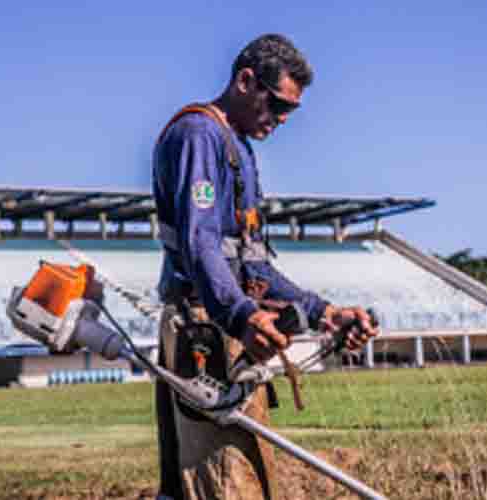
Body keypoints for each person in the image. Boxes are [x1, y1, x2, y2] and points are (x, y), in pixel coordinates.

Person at [151, 34, 378, 500]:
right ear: (245, 80)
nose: (281, 120)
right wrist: (240, 315)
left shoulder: (238, 148)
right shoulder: (200, 135)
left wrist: (324, 313)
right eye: (276, 105)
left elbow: (254, 265)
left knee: (248, 478)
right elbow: (200, 243)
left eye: (290, 111)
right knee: (223, 483)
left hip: (230, 329)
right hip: (206, 335)